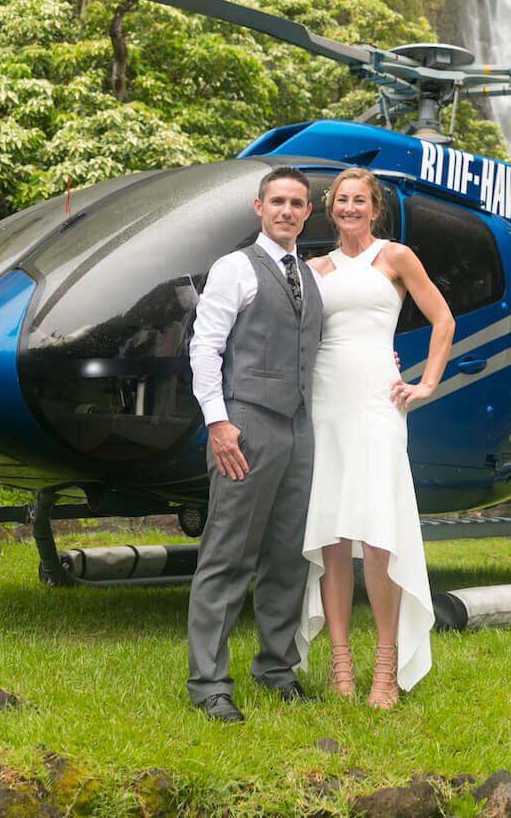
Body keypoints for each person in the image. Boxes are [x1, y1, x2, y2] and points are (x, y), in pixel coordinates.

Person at [300, 166, 454, 708]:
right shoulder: (313, 268)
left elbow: (442, 319)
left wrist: (427, 382)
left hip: (377, 403)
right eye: (341, 200)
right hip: (325, 402)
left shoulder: (396, 257)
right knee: (332, 535)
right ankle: (341, 667)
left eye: (359, 200)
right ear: (329, 207)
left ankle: (385, 668)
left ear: (375, 207)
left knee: (378, 536)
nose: (349, 208)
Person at [184, 166, 325, 723]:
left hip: (300, 428)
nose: (287, 210)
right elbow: (204, 349)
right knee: (228, 554)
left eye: (296, 203)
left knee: (289, 555)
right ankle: (208, 682)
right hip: (246, 426)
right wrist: (218, 424)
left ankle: (275, 667)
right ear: (258, 208)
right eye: (278, 202)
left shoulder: (309, 276)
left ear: (307, 212)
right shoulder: (235, 267)